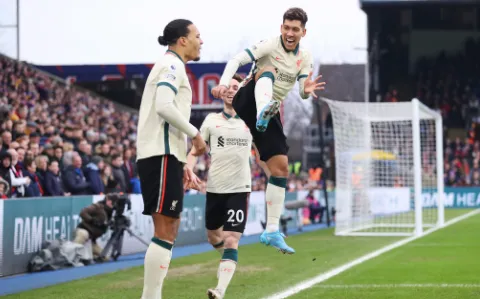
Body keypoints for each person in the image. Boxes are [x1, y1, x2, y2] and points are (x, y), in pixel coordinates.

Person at [211, 7, 325, 254]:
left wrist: (307, 88)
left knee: (281, 168)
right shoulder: (269, 45)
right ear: (281, 27)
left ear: (303, 32)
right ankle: (264, 111)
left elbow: (304, 93)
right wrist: (222, 83)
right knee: (268, 69)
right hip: (248, 97)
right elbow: (236, 60)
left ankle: (272, 229)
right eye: (286, 27)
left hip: (270, 112)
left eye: (295, 29)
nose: (289, 33)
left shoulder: (305, 57)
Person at [135, 19, 206, 299]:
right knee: (165, 227)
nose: (202, 40)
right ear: (182, 40)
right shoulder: (172, 65)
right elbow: (164, 106)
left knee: (170, 227)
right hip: (160, 155)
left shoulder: (172, 65)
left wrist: (181, 161)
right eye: (198, 35)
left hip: (167, 156)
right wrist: (195, 134)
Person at [186, 74, 252, 299]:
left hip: (239, 188)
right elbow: (196, 150)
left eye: (236, 87)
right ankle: (229, 261)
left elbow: (264, 153)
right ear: (221, 91)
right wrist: (189, 167)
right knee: (214, 236)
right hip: (215, 188)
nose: (231, 90)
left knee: (232, 238)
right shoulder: (211, 121)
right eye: (229, 87)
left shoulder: (250, 120)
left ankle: (220, 289)